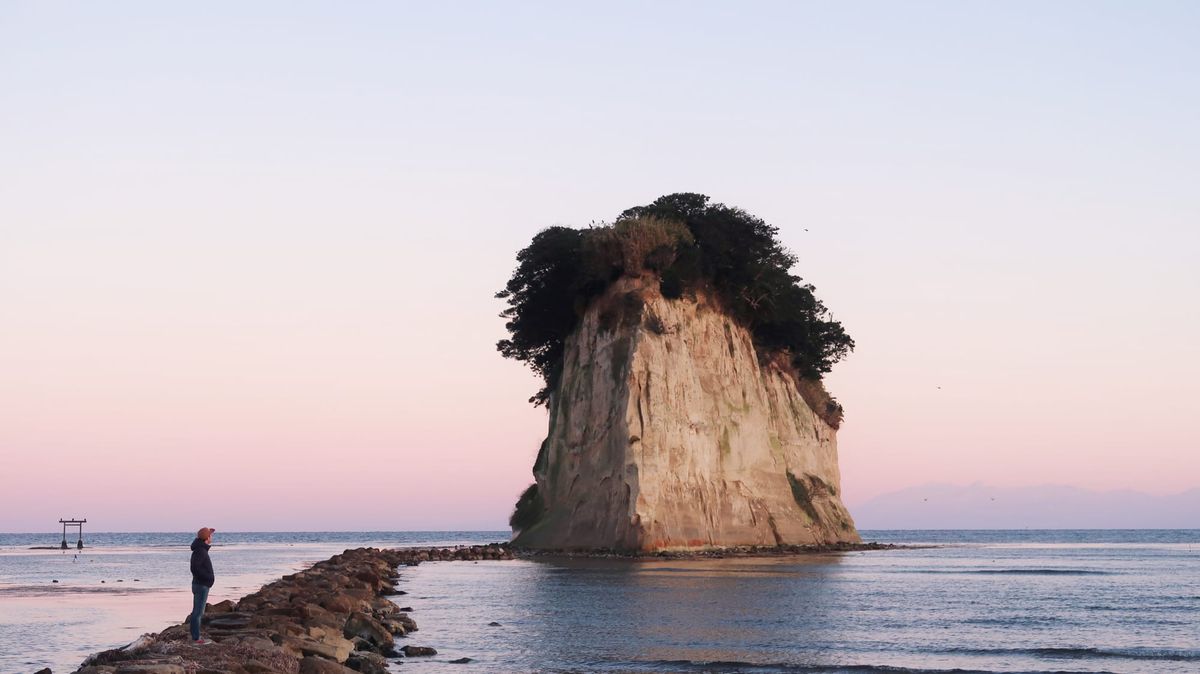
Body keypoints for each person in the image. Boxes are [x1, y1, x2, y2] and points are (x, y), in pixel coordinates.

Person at [188, 527, 216, 645]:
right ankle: (196, 638)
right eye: (211, 535)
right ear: (207, 538)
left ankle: (196, 636)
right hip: (201, 585)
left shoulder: (201, 549)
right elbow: (195, 568)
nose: (212, 537)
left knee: (198, 612)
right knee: (198, 613)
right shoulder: (200, 550)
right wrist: (208, 578)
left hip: (200, 584)